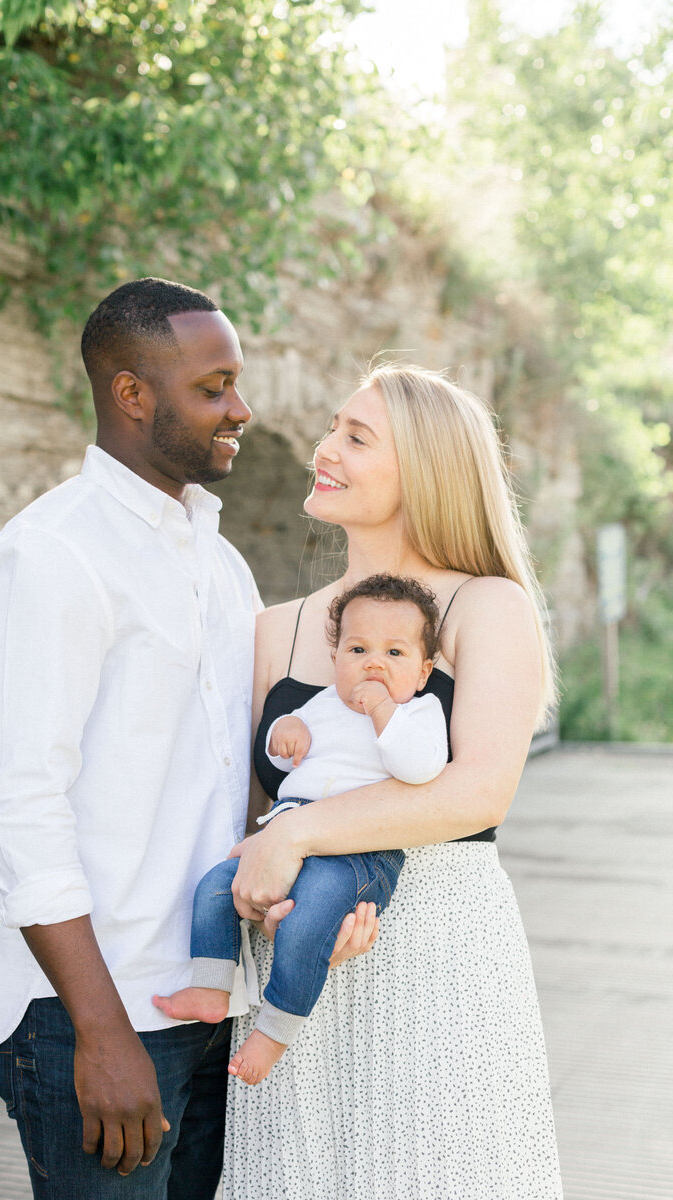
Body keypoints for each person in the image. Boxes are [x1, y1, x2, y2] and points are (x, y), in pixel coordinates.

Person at [222, 364, 564, 1199]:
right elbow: (254, 809)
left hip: (441, 948)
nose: (323, 448)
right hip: (298, 958)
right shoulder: (274, 628)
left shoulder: (488, 607)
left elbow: (478, 792)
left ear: (427, 470)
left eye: (355, 436)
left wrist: (299, 837)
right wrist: (283, 898)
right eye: (333, 427)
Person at [0, 277, 265, 1200]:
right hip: (91, 1016)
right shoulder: (52, 555)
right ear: (131, 394)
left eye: (234, 384)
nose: (239, 409)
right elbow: (18, 807)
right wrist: (101, 1031)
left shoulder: (220, 562)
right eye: (212, 388)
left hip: (209, 1001)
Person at [153, 574, 447, 1084]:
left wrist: (381, 709)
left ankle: (273, 1029)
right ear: (336, 659)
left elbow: (420, 768)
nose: (374, 663)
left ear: (423, 672)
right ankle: (210, 984)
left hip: (358, 852)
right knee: (216, 887)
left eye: (394, 654)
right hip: (285, 834)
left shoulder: (418, 713)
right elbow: (287, 760)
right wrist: (284, 734)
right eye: (358, 648)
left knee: (308, 922)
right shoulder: (323, 705)